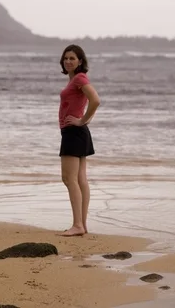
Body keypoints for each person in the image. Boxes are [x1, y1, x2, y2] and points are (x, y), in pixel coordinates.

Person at [57, 44, 101, 237]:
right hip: (78, 132)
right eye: (66, 58)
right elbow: (89, 102)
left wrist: (82, 120)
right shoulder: (74, 80)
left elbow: (95, 100)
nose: (68, 61)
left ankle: (77, 225)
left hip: (74, 132)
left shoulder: (79, 78)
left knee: (69, 179)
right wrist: (85, 121)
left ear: (80, 61)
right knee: (80, 179)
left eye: (72, 58)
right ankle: (81, 224)